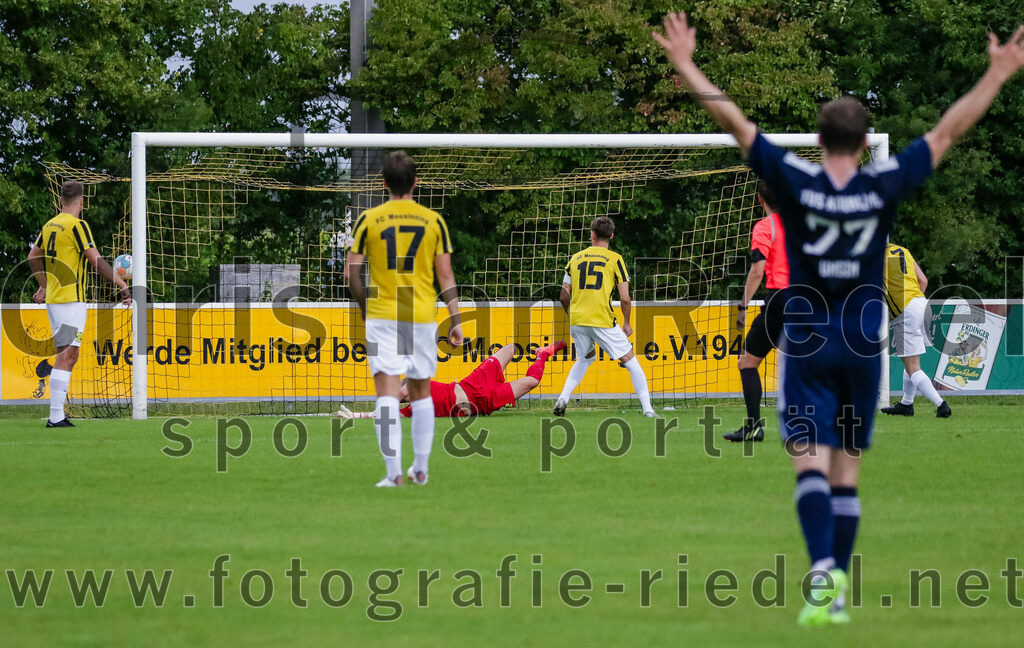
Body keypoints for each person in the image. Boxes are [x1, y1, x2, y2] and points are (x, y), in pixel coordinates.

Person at [655, 11, 1024, 626]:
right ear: (865, 139)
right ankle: (839, 588)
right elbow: (946, 133)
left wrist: (687, 64)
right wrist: (997, 75)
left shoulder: (796, 181)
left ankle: (822, 571)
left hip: (806, 338)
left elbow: (735, 123)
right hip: (860, 343)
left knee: (808, 460)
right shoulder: (881, 186)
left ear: (820, 141)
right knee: (846, 471)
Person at [346, 151, 463, 487]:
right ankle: (421, 470)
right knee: (421, 391)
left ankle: (394, 474)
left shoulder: (368, 219)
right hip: (420, 313)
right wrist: (456, 320)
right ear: (416, 182)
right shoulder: (433, 221)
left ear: (384, 184)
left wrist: (366, 310)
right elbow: (445, 275)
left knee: (386, 394)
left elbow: (351, 274)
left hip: (382, 315)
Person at [27, 180, 131, 427]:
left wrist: (43, 285)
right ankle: (56, 417)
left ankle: (57, 416)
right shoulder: (78, 225)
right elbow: (96, 261)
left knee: (66, 354)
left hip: (56, 301)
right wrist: (121, 284)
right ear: (82, 201)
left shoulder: (49, 225)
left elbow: (32, 256)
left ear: (60, 200)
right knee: (68, 354)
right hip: (71, 301)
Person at [553, 216, 655, 417]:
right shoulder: (616, 259)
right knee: (630, 360)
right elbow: (625, 298)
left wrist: (573, 316)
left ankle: (563, 397)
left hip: (577, 319)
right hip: (602, 319)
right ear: (612, 236)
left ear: (592, 235)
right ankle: (648, 409)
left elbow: (563, 296)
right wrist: (627, 323)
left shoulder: (575, 258)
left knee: (586, 358)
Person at [337, 340, 567, 419]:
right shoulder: (414, 410)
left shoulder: (416, 384)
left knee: (511, 348)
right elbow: (385, 414)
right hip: (484, 401)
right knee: (531, 382)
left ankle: (539, 352)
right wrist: (357, 415)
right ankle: (543, 355)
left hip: (474, 382)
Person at [724, 180, 789, 442]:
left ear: (760, 200)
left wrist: (743, 306)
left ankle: (754, 426)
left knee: (747, 362)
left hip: (781, 299)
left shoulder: (765, 227)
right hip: (810, 299)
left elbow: (757, 270)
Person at [881, 242, 951, 418]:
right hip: (922, 303)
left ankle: (941, 405)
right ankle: (906, 404)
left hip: (907, 309)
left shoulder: (876, 255)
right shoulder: (903, 250)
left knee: (913, 367)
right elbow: (923, 281)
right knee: (911, 361)